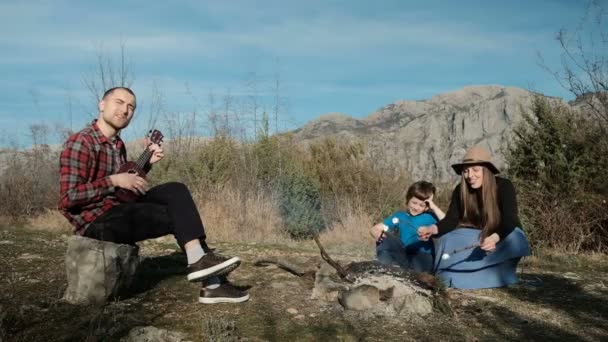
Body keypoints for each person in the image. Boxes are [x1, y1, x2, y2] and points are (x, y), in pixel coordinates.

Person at [59, 86, 249, 304]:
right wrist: (113, 180)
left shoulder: (117, 145)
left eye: (131, 107)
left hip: (119, 210)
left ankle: (203, 266)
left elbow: (125, 191)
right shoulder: (80, 142)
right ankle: (212, 283)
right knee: (177, 217)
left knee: (176, 191)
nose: (125, 110)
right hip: (96, 224)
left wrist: (146, 165)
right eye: (119, 102)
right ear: (102, 105)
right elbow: (67, 198)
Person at [417, 146, 530, 289]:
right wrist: (432, 229)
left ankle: (495, 274)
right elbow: (451, 220)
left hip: (503, 236)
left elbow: (510, 220)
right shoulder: (460, 190)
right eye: (466, 171)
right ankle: (454, 275)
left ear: (486, 170)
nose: (470, 175)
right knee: (446, 239)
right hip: (478, 235)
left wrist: (495, 238)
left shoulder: (504, 186)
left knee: (515, 238)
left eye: (475, 170)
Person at [370, 181, 446, 273]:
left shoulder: (430, 217)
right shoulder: (399, 216)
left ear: (427, 207)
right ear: (408, 199)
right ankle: (384, 267)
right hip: (404, 253)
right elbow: (376, 228)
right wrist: (376, 233)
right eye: (414, 203)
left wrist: (433, 206)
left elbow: (448, 222)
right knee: (384, 235)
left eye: (421, 205)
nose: (416, 207)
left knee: (414, 271)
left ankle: (407, 272)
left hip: (422, 256)